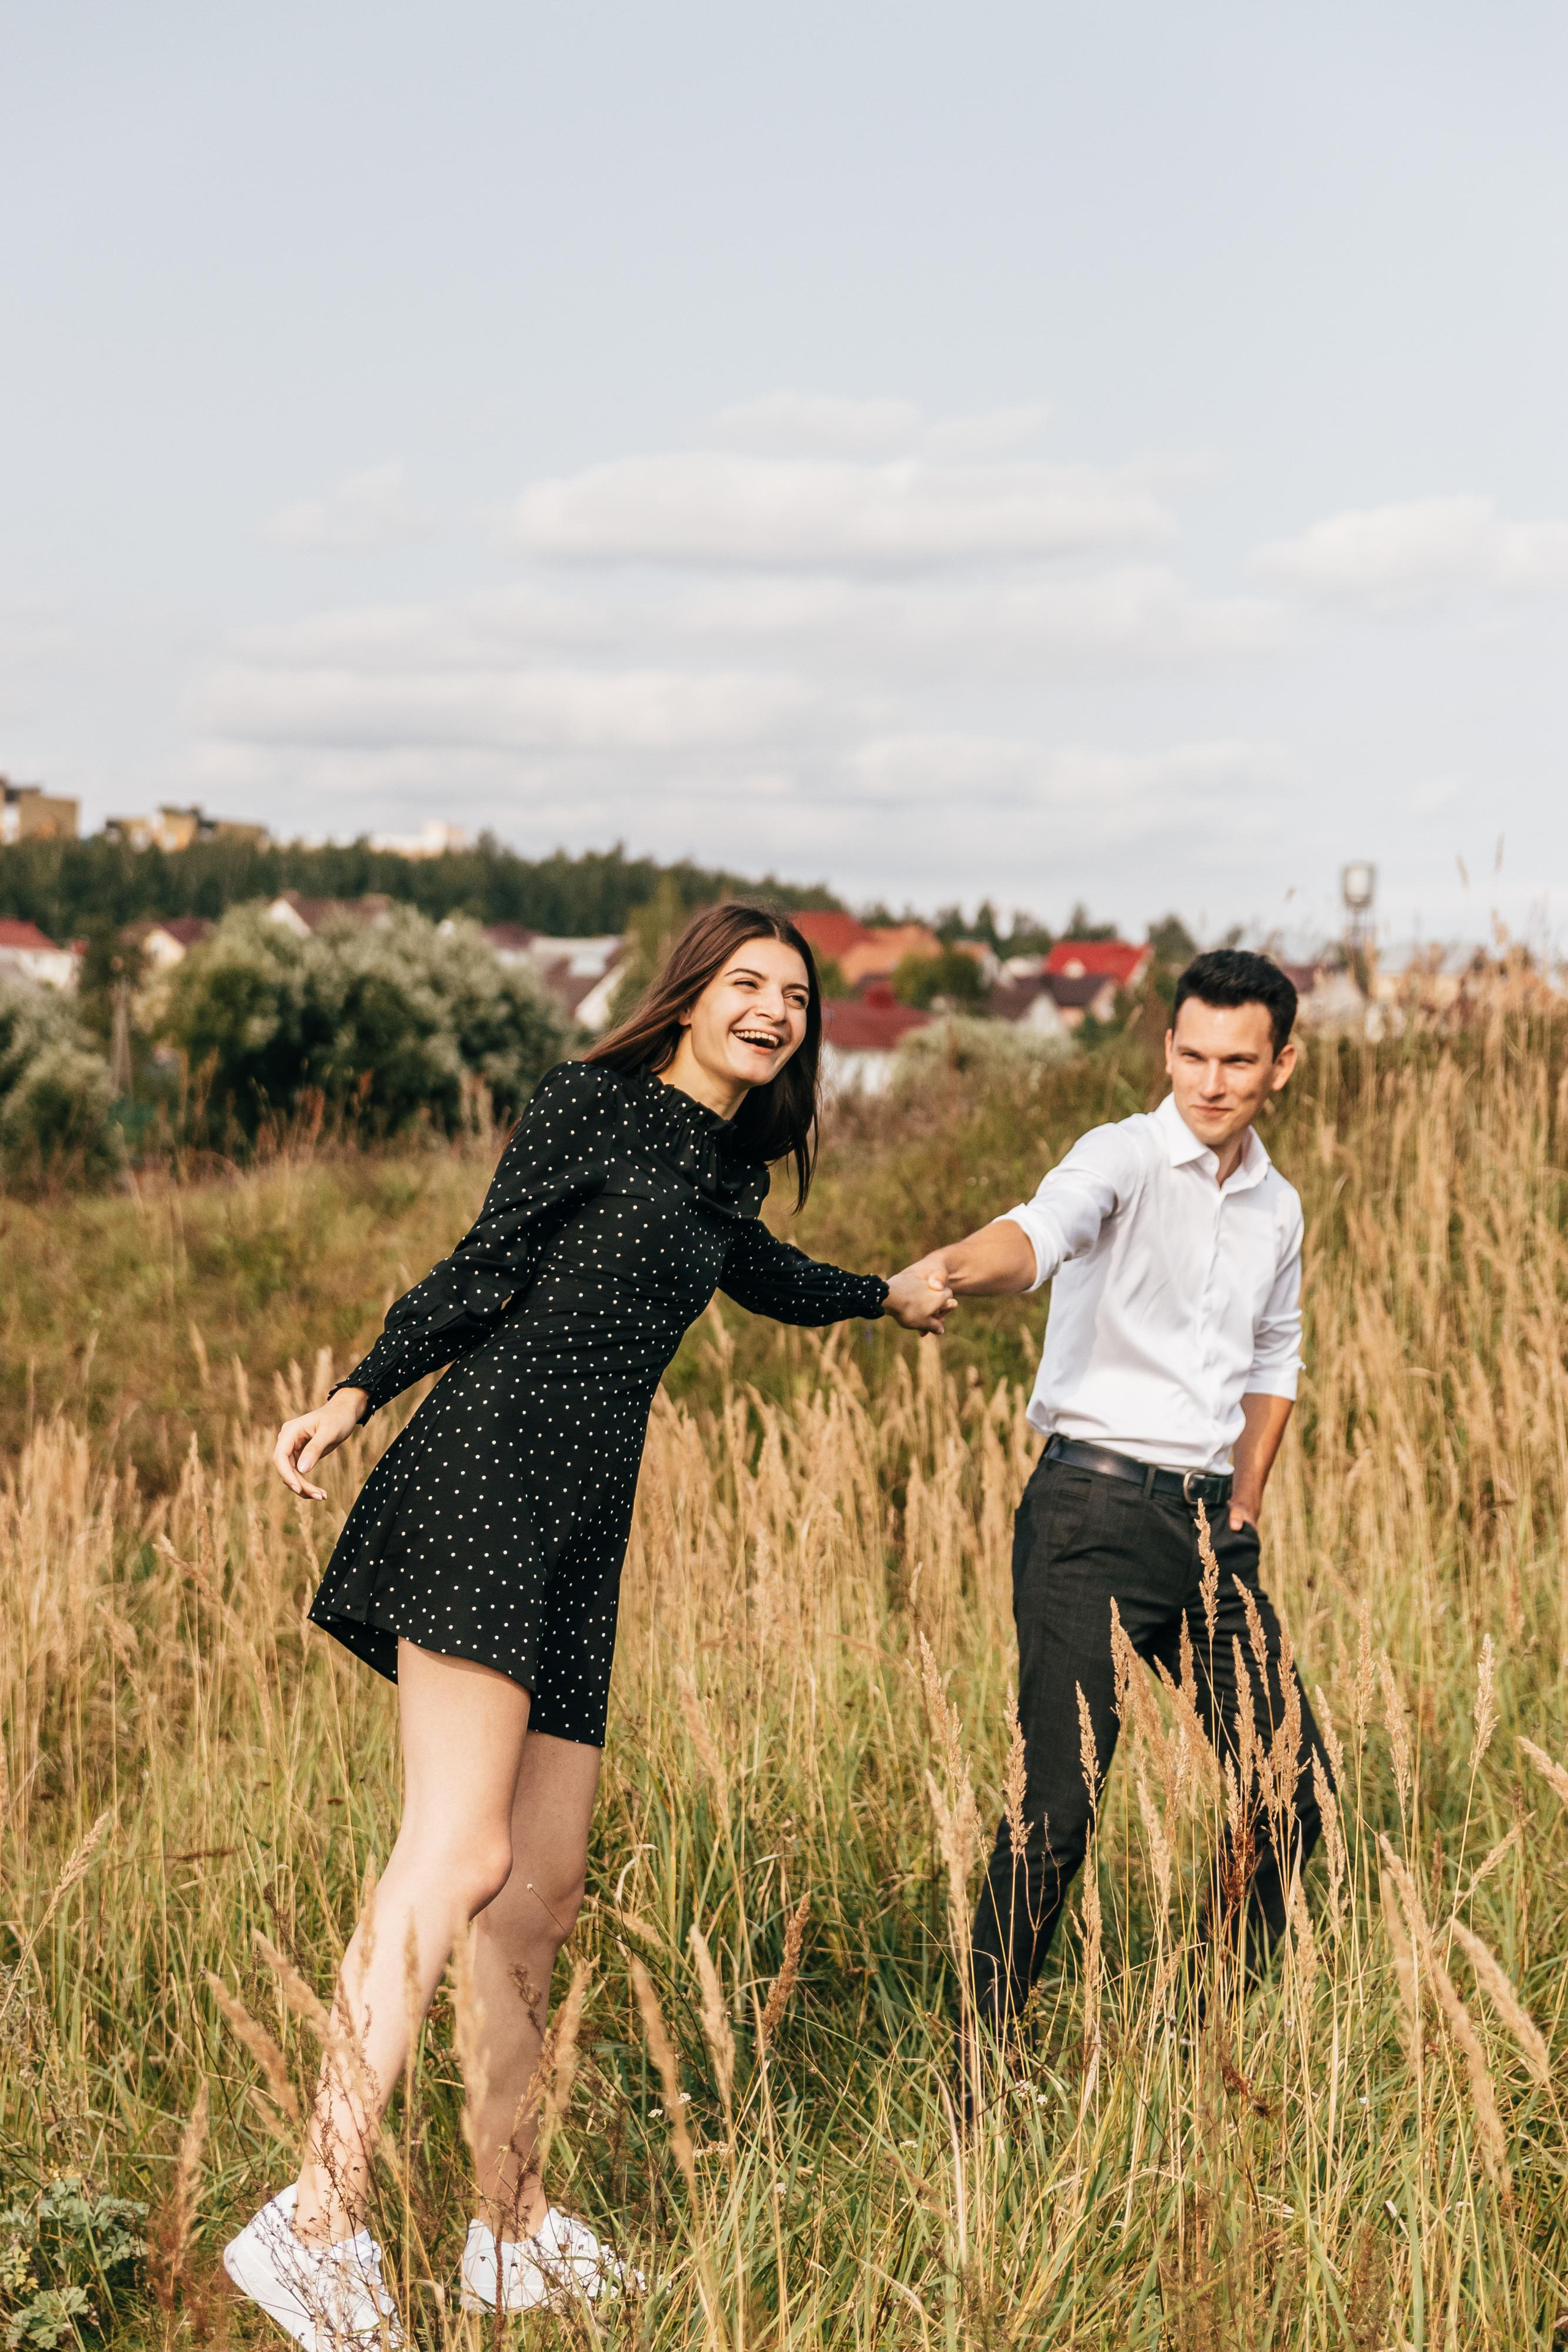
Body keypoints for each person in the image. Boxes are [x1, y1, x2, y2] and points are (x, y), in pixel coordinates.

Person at [223, 902, 952, 2348]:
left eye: (794, 995)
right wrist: (355, 1394)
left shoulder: (723, 1172)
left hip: (577, 1533)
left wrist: (884, 1295)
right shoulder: (589, 1104)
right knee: (456, 1851)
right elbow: (481, 1264)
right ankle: (312, 2219)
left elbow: (764, 1277)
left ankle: (507, 2229)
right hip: (489, 1479)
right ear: (685, 996)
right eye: (745, 982)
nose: (772, 1008)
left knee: (540, 1888)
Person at [898, 949, 1331, 2067]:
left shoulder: (1277, 1206)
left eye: (1238, 1062)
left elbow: (1274, 1358)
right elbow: (1039, 1235)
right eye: (1194, 1056)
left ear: (1281, 1065)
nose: (1211, 1082)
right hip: (1090, 1513)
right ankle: (977, 2071)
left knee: (1295, 1789)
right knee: (1060, 1807)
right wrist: (953, 1268)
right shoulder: (1123, 1155)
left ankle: (1205, 2040)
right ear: (1168, 1049)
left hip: (1209, 1534)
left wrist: (1244, 1502)